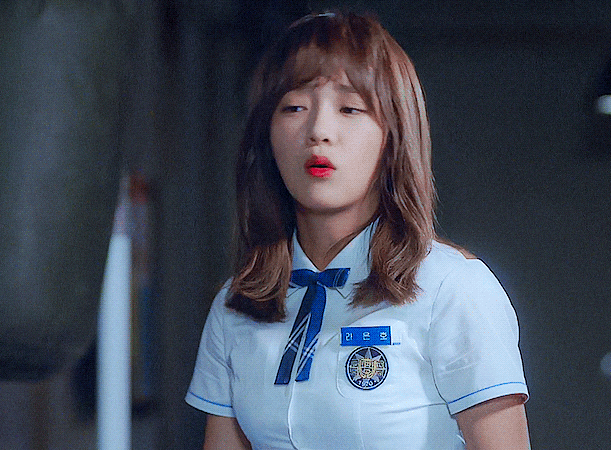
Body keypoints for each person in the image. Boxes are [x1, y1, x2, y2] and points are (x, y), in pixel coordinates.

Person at [186, 10, 530, 449]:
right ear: (266, 135)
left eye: (350, 108)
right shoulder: (235, 307)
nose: (319, 132)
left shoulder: (452, 289)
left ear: (394, 136)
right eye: (294, 107)